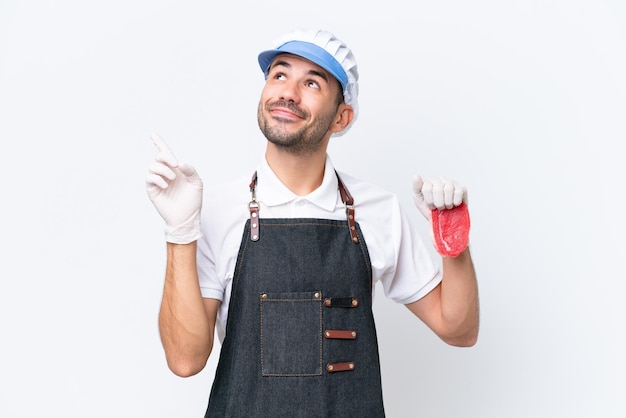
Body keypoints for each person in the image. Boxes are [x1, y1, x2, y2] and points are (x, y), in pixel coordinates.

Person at [145, 28, 479, 417]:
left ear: (341, 117)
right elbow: (185, 361)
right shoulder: (215, 209)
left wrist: (452, 240)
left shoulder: (377, 210)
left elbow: (459, 330)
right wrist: (180, 232)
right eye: (280, 74)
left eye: (312, 83)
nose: (288, 92)